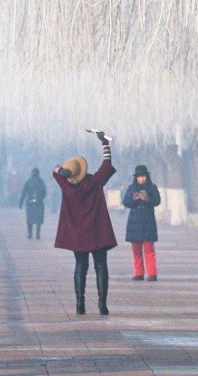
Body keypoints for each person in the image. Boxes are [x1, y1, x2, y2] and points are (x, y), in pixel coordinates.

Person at [55, 133, 118, 315]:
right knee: (101, 265)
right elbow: (107, 164)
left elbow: (55, 171)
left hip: (78, 234)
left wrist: (62, 172)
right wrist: (105, 143)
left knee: (80, 266)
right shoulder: (95, 182)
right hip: (98, 231)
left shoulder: (67, 187)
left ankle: (79, 304)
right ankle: (102, 305)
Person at [122, 165, 162, 281]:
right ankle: (139, 272)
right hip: (134, 223)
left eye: (143, 177)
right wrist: (133, 199)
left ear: (147, 177)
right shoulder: (131, 188)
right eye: (139, 177)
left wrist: (147, 198)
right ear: (136, 178)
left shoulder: (152, 187)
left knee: (149, 250)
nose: (141, 179)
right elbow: (125, 202)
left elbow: (157, 201)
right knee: (136, 250)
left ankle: (152, 273)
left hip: (148, 222)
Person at [21, 167, 48, 239]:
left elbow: (23, 193)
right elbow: (44, 193)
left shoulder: (28, 181)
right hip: (39, 203)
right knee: (38, 219)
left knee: (30, 219)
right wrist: (40, 198)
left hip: (30, 202)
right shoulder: (41, 182)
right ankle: (37, 234)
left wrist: (21, 203)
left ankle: (30, 234)